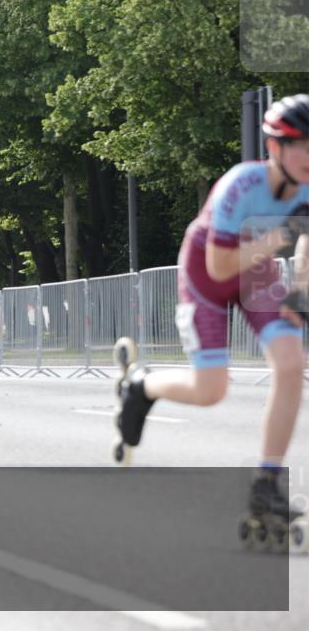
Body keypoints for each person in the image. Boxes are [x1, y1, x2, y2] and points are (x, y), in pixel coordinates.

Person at [114, 94, 309, 543]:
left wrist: (299, 295)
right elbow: (221, 267)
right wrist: (283, 232)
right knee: (211, 390)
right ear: (275, 148)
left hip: (255, 273)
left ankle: (267, 483)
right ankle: (142, 385)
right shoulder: (240, 185)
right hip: (207, 270)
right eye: (299, 145)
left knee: (292, 361)